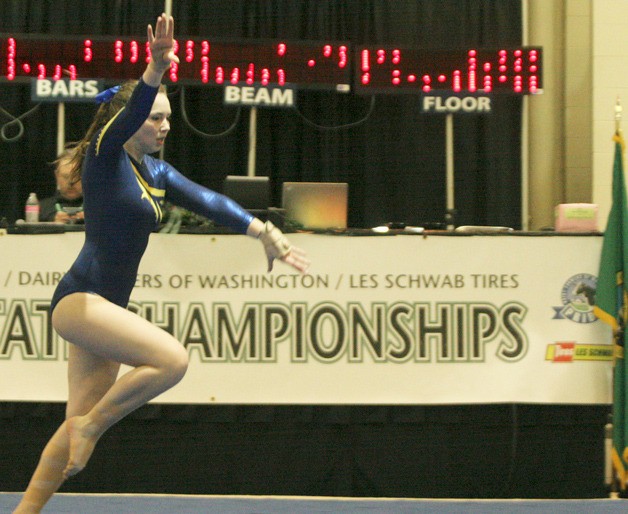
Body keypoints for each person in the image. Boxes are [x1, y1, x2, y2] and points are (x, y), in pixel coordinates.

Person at [13, 13, 309, 514]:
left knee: (74, 425)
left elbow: (207, 201)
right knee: (171, 360)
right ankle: (89, 426)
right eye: (156, 117)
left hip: (104, 310)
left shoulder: (155, 170)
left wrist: (264, 231)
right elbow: (128, 116)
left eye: (167, 116)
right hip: (79, 301)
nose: (165, 125)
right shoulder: (106, 156)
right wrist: (153, 70)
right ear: (129, 121)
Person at [39, 148, 84, 223]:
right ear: (57, 176)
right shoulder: (42, 209)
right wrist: (51, 223)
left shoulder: (97, 209)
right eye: (66, 177)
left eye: (76, 176)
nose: (71, 182)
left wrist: (92, 222)